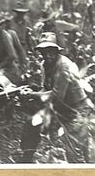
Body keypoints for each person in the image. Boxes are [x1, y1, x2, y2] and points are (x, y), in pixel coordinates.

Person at [20, 32, 91, 163]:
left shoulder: (64, 66)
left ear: (56, 51)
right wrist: (30, 92)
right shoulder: (44, 65)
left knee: (74, 152)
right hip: (57, 108)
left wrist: (33, 95)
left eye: (50, 51)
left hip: (75, 110)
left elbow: (56, 96)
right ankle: (26, 158)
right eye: (43, 51)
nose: (47, 55)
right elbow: (46, 89)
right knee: (31, 123)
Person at [0, 14, 24, 85]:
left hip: (8, 69)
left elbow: (12, 56)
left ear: (0, 26)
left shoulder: (5, 36)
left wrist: (0, 68)